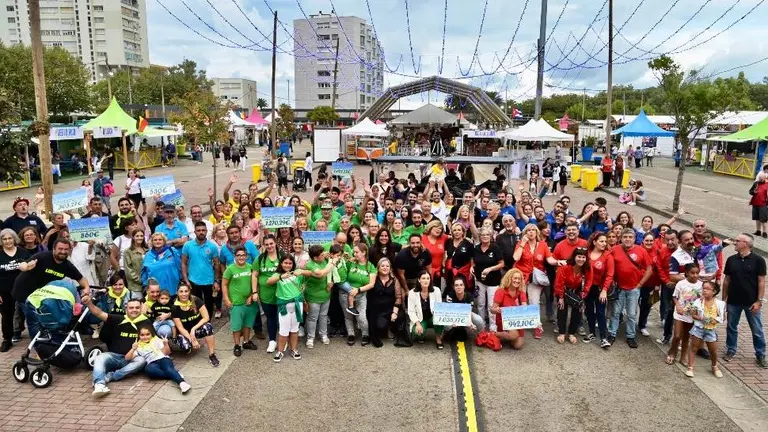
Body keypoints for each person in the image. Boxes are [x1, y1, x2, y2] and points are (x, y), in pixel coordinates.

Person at [12, 239, 89, 339]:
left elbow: (81, 279)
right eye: (60, 249)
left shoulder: (67, 265)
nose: (63, 251)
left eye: (66, 249)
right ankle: (38, 345)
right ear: (53, 249)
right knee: (35, 320)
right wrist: (26, 267)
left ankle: (48, 341)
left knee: (45, 318)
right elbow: (22, 265)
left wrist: (86, 289)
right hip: (24, 291)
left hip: (42, 294)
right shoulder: (43, 257)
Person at [82, 295, 147, 396]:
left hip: (131, 359)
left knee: (142, 360)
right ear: (126, 309)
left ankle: (110, 376)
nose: (134, 310)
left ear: (141, 309)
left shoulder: (146, 322)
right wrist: (89, 303)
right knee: (100, 357)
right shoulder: (118, 319)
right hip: (113, 357)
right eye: (131, 308)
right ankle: (99, 384)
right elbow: (99, 313)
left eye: (137, 307)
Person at [722, 233, 767, 368]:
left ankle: (760, 354)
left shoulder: (758, 260)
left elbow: (761, 281)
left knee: (757, 329)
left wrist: (759, 301)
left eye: (737, 240)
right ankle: (731, 349)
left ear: (746, 244)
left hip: (751, 302)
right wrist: (723, 300)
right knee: (731, 327)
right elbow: (726, 281)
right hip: (733, 301)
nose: (735, 242)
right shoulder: (731, 259)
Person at [513, 224, 564, 339]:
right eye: (528, 230)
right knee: (517, 300)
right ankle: (516, 325)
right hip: (520, 276)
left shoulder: (542, 245)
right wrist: (522, 243)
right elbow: (516, 258)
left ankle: (537, 326)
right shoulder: (520, 243)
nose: (531, 232)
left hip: (535, 277)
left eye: (533, 230)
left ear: (537, 232)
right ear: (525, 233)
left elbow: (549, 259)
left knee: (534, 302)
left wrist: (557, 262)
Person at [608, 228, 652, 348]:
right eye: (625, 237)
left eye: (630, 237)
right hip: (619, 288)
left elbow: (649, 269)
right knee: (616, 312)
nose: (627, 239)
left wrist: (640, 284)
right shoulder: (614, 249)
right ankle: (612, 334)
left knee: (632, 314)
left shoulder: (641, 251)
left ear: (634, 239)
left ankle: (630, 336)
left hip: (633, 288)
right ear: (621, 238)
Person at [266, 255, 312, 362]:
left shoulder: (297, 274)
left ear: (293, 264)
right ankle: (280, 351)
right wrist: (281, 277)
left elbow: (310, 273)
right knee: (283, 330)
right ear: (281, 263)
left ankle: (294, 349)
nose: (287, 265)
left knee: (295, 329)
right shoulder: (278, 275)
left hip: (297, 304)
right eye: (285, 263)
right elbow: (269, 281)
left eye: (290, 263)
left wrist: (302, 271)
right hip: (284, 306)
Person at [126, 325, 191, 393]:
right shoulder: (137, 345)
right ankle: (175, 374)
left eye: (148, 334)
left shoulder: (156, 340)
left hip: (162, 358)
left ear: (151, 334)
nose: (145, 337)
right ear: (138, 335)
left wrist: (166, 344)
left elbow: (166, 353)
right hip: (151, 363)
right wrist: (133, 349)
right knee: (149, 370)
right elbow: (127, 358)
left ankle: (181, 383)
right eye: (142, 335)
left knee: (168, 368)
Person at [221, 246, 259, 356]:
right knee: (237, 325)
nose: (241, 257)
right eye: (238, 255)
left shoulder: (250, 267)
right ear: (235, 256)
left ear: (246, 256)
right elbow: (224, 284)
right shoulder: (230, 269)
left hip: (249, 302)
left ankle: (246, 341)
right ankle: (237, 345)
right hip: (236, 302)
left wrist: (252, 295)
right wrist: (226, 299)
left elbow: (255, 283)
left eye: (243, 255)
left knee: (247, 323)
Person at [685, 281, 725, 378]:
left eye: (707, 289)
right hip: (698, 328)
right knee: (694, 348)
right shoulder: (698, 302)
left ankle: (714, 366)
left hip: (711, 329)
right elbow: (693, 315)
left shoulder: (720, 303)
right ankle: (690, 367)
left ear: (714, 291)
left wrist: (713, 320)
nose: (704, 291)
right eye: (703, 288)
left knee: (713, 350)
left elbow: (722, 318)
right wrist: (702, 318)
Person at [172, 284, 219, 367]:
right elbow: (180, 328)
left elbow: (206, 317)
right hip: (184, 332)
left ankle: (212, 354)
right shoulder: (175, 307)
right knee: (186, 347)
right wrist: (192, 339)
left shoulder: (196, 300)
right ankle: (188, 345)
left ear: (189, 292)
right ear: (177, 293)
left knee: (208, 327)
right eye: (181, 291)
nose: (184, 294)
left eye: (186, 291)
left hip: (196, 329)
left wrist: (193, 329)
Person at [181, 222, 220, 319]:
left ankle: (208, 322)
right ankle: (198, 322)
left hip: (208, 280)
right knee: (195, 303)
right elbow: (183, 263)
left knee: (209, 304)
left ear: (206, 231)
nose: (201, 232)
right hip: (193, 280)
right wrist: (186, 280)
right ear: (194, 232)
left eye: (203, 230)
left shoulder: (212, 246)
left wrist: (216, 281)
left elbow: (216, 264)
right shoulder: (188, 245)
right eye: (198, 230)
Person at [665, 263, 702, 366]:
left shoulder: (700, 285)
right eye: (692, 273)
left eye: (697, 273)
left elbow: (701, 298)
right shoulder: (681, 283)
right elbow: (675, 296)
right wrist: (678, 306)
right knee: (677, 335)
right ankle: (672, 352)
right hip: (680, 313)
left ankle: (683, 357)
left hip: (691, 314)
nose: (695, 275)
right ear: (687, 273)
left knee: (686, 336)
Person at [554, 248, 591, 344]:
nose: (581, 259)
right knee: (562, 310)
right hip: (563, 290)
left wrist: (583, 296)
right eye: (579, 257)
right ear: (574, 257)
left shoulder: (587, 268)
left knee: (577, 312)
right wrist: (561, 297)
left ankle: (571, 333)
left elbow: (588, 282)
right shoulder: (565, 267)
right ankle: (561, 333)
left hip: (578, 291)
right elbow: (559, 282)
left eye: (583, 257)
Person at [0, 229, 29, 352]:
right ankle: (7, 339)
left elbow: (31, 270)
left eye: (10, 238)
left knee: (29, 313)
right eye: (4, 239)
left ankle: (36, 338)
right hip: (4, 291)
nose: (8, 241)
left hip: (22, 289)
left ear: (14, 239)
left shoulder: (23, 253)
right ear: (1, 241)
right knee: (6, 315)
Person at [302, 245, 336, 348]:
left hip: (326, 295)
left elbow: (331, 274)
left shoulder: (324, 261)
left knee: (323, 316)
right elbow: (321, 273)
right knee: (312, 317)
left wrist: (331, 282)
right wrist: (332, 262)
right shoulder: (310, 265)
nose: (324, 255)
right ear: (315, 257)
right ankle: (310, 338)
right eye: (321, 254)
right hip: (313, 297)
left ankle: (323, 334)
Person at [366, 257, 405, 347]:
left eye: (387, 266)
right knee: (380, 326)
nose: (385, 268)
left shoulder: (394, 280)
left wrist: (395, 312)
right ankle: (385, 328)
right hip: (377, 310)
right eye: (382, 266)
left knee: (401, 316)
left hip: (391, 308)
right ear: (378, 268)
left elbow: (398, 297)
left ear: (390, 268)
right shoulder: (373, 278)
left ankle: (391, 328)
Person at [342, 242, 376, 346]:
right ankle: (351, 334)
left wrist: (358, 290)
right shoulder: (351, 263)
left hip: (361, 294)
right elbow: (341, 272)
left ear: (364, 252)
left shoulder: (370, 266)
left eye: (356, 252)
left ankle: (365, 335)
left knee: (361, 317)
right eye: (354, 252)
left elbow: (372, 284)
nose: (354, 254)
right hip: (346, 294)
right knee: (348, 316)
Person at [253, 233, 281, 353]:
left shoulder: (283, 256)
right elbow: (254, 275)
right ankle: (272, 341)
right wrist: (254, 291)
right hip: (266, 295)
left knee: (283, 318)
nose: (269, 246)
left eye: (271, 243)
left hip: (282, 294)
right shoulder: (260, 258)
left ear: (275, 243)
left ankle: (283, 340)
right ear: (263, 245)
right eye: (266, 244)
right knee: (271, 317)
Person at [473, 227, 504, 331]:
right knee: (480, 304)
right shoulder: (476, 248)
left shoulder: (495, 248)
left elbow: (501, 264)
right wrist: (471, 267)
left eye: (487, 235)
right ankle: (481, 326)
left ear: (490, 236)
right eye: (483, 235)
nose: (485, 236)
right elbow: (473, 261)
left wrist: (490, 269)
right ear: (480, 236)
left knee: (491, 305)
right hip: (479, 280)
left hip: (493, 281)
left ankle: (492, 327)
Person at [585, 233, 614, 347]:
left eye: (605, 241)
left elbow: (610, 274)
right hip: (587, 288)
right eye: (601, 241)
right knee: (589, 311)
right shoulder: (587, 253)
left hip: (600, 288)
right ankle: (592, 332)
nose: (604, 243)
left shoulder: (608, 256)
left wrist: (604, 290)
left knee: (601, 312)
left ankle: (603, 338)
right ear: (594, 242)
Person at [489, 268, 527, 350]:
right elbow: (492, 310)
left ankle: (507, 336)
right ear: (509, 278)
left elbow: (525, 308)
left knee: (518, 346)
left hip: (517, 321)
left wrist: (533, 318)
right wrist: (497, 310)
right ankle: (494, 334)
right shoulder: (501, 291)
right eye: (515, 278)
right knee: (514, 336)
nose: (517, 281)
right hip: (504, 321)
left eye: (519, 279)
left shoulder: (521, 293)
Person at [407, 270, 444, 349]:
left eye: (428, 278)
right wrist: (417, 324)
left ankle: (438, 338)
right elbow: (411, 311)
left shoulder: (436, 290)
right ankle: (421, 336)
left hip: (432, 317)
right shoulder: (412, 293)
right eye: (423, 278)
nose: (426, 280)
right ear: (419, 280)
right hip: (420, 319)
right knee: (418, 333)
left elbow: (439, 308)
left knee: (439, 320)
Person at [443, 276, 484, 342]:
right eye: (456, 285)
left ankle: (481, 336)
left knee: (478, 320)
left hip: (466, 314)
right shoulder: (450, 296)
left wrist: (470, 323)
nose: (459, 287)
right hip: (453, 315)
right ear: (453, 287)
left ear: (464, 286)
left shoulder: (469, 296)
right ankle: (446, 332)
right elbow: (450, 312)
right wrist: (453, 321)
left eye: (461, 285)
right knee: (447, 325)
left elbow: (469, 312)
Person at [123, 229, 147, 300]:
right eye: (137, 236)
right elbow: (128, 270)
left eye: (141, 236)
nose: (140, 238)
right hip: (135, 286)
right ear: (133, 237)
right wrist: (140, 280)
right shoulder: (128, 251)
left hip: (148, 285)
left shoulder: (147, 250)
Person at [750, 173, 768, 237]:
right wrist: (753, 192)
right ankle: (758, 231)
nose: (760, 180)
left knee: (763, 219)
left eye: (761, 179)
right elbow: (750, 191)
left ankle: (765, 233)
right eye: (759, 178)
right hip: (755, 203)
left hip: (763, 204)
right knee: (757, 218)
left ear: (765, 178)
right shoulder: (756, 183)